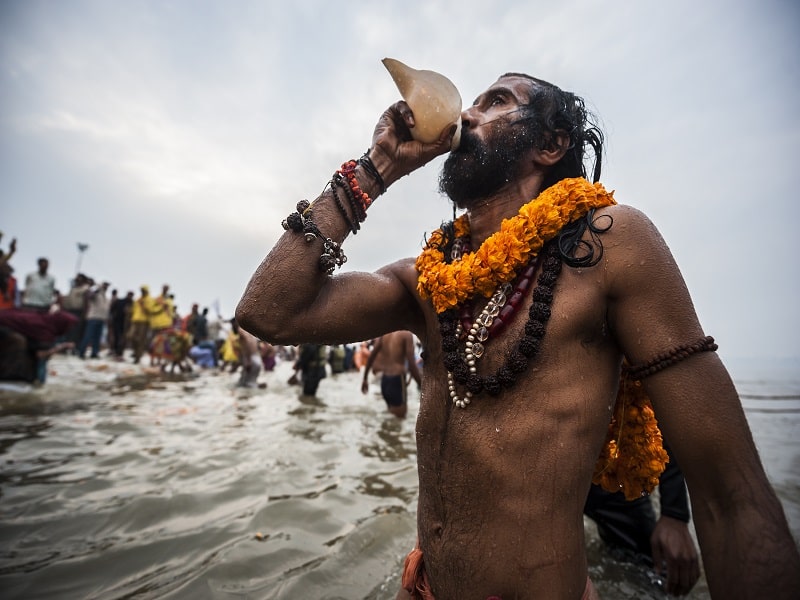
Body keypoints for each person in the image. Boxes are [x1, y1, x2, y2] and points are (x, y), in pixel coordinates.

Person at [236, 72, 800, 599]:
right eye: (474, 101)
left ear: (550, 146)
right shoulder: (428, 280)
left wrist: (674, 516)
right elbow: (269, 313)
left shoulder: (609, 246)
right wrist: (376, 166)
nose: (469, 112)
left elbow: (730, 494)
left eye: (497, 101)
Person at [584, 442, 699, 596]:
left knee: (653, 574)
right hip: (548, 478)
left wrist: (674, 514)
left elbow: (664, 421)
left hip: (610, 471)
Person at [0, 308, 78, 384]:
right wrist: (62, 347)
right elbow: (41, 354)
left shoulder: (45, 319)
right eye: (69, 326)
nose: (69, 329)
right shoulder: (46, 330)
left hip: (5, 321)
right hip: (4, 328)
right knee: (18, 345)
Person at [361, 330, 422, 419]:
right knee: (400, 420)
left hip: (385, 381)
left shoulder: (385, 334)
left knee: (391, 417)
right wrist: (422, 386)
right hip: (397, 380)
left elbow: (371, 357)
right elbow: (412, 365)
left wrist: (365, 379)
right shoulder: (406, 334)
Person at [77, 281, 111, 359]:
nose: (106, 287)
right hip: (93, 318)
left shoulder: (105, 297)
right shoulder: (96, 294)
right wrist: (97, 289)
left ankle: (94, 353)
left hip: (101, 319)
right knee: (88, 336)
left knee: (97, 337)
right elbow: (89, 296)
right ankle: (82, 352)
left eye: (107, 286)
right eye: (105, 285)